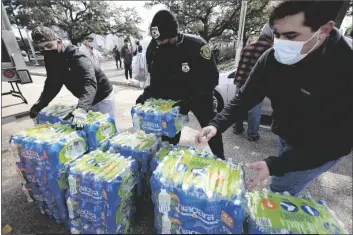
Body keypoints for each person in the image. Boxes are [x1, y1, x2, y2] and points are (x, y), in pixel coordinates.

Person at [196, 1, 352, 195]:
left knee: (280, 188)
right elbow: (246, 96)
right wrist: (217, 124)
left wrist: (275, 165)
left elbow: (338, 143)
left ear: (324, 30)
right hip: (285, 133)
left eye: (291, 36)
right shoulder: (272, 57)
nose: (281, 43)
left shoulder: (345, 68)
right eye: (277, 35)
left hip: (319, 146)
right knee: (282, 173)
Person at [136, 10, 225, 159]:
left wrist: (191, 100)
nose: (160, 44)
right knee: (169, 134)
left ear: (174, 35)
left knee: (210, 129)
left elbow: (211, 79)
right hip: (173, 97)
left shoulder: (197, 46)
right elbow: (156, 80)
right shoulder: (154, 48)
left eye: (163, 40)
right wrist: (147, 95)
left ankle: (221, 159)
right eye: (157, 40)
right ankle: (169, 162)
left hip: (200, 95)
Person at [29, 26, 115, 129]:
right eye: (41, 48)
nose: (46, 50)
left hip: (102, 96)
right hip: (85, 98)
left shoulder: (77, 56)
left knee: (105, 128)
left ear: (59, 42)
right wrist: (40, 104)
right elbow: (52, 84)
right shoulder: (51, 59)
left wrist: (82, 108)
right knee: (90, 131)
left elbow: (90, 82)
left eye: (49, 45)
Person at [233, 23, 274, 141]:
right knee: (254, 111)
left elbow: (240, 65)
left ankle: (237, 128)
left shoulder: (249, 46)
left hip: (241, 81)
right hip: (256, 85)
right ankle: (252, 134)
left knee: (238, 106)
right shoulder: (271, 48)